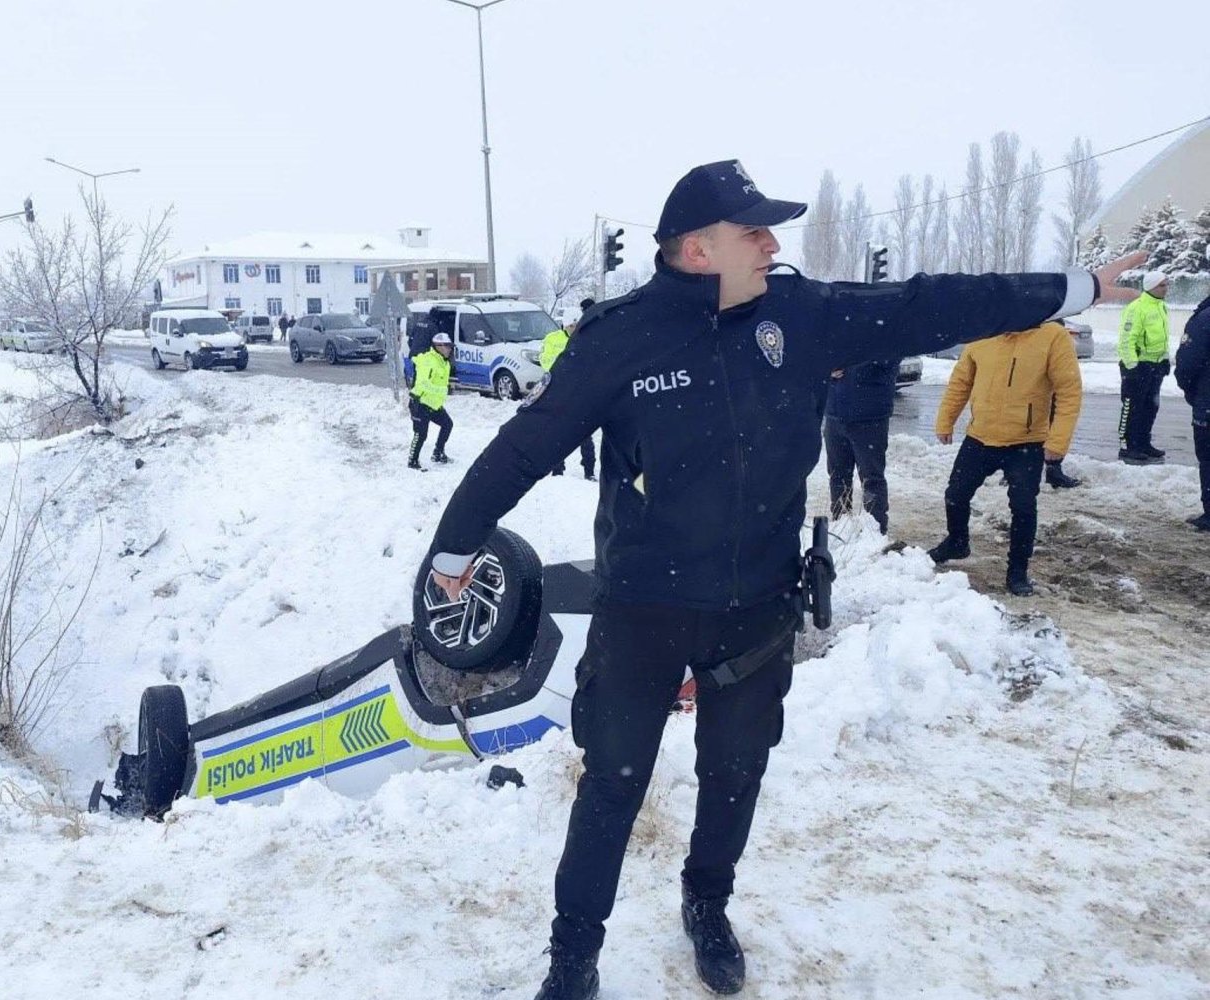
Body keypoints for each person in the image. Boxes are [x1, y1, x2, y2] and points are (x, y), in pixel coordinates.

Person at [419, 159, 1143, 1000]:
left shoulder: (801, 316)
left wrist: (1073, 286)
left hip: (757, 607)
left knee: (735, 776)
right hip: (643, 610)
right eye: (752, 230)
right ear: (696, 249)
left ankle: (707, 904)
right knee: (612, 786)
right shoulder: (620, 336)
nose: (772, 244)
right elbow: (526, 445)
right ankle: (573, 955)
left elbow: (929, 303)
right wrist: (454, 546)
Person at [926, 322, 1084, 596]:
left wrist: (1058, 442)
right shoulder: (983, 331)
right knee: (955, 494)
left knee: (1023, 508)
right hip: (980, 437)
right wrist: (945, 421)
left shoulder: (1052, 337)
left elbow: (1069, 392)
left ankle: (1018, 570)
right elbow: (961, 382)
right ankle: (957, 541)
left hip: (1026, 441)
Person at [823, 357, 899, 533]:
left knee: (871, 478)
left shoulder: (881, 330)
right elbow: (819, 354)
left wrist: (851, 365)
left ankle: (875, 531)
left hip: (870, 415)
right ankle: (840, 526)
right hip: (835, 413)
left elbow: (891, 357)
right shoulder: (836, 329)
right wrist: (827, 368)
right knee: (837, 475)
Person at [1117, 270, 1171, 464]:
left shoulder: (1161, 307)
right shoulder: (1137, 308)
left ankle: (1143, 442)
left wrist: (1164, 359)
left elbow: (1162, 337)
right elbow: (1126, 340)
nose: (1166, 288)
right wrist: (1132, 366)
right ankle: (1128, 446)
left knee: (1150, 406)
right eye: (1162, 285)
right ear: (1151, 287)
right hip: (1138, 365)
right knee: (1132, 407)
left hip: (1155, 366)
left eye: (1167, 284)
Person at [542, 302, 598, 481]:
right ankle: (557, 469)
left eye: (576, 324)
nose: (574, 328)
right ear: (565, 325)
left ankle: (589, 470)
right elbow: (545, 361)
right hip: (559, 393)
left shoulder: (587, 337)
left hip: (582, 395)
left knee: (585, 436)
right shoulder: (552, 339)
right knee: (558, 433)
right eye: (571, 325)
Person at [1173, 293, 1210, 531]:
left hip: (1207, 404)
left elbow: (1187, 364)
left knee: (1208, 459)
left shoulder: (1203, 319)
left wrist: (1193, 392)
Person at [408, 331, 454, 471]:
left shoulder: (443, 362)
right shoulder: (428, 361)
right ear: (438, 346)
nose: (450, 349)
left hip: (433, 404)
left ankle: (438, 453)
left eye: (450, 346)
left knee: (447, 424)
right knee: (421, 434)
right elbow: (422, 384)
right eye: (447, 346)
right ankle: (412, 461)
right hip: (420, 403)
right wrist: (442, 390)